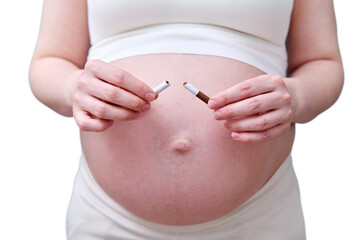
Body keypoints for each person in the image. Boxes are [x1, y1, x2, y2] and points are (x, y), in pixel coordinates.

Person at [29, 0, 343, 239]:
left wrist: (297, 96)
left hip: (259, 215)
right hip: (108, 219)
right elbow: (49, 61)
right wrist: (74, 88)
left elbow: (323, 62)